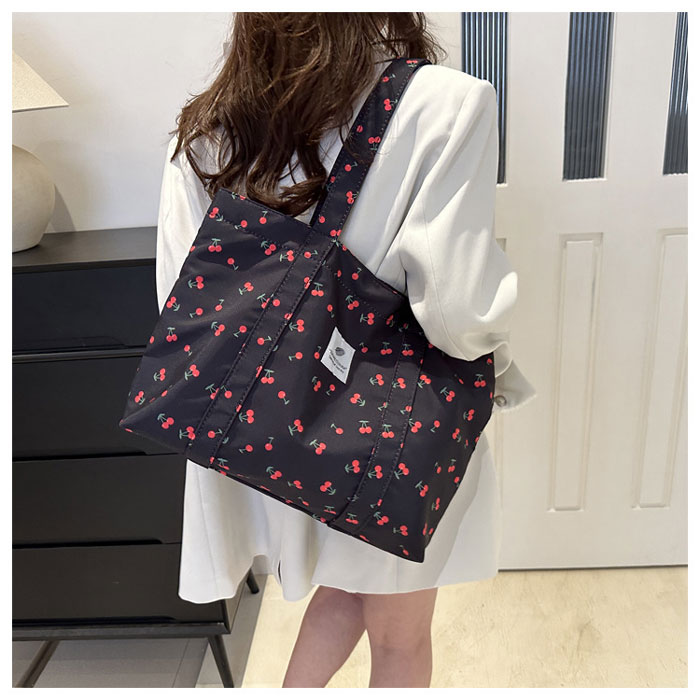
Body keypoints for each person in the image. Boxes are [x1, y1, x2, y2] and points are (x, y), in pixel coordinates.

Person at [155, 12, 537, 688]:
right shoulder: (445, 103)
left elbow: (182, 304)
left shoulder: (205, 129)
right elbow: (455, 313)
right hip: (391, 432)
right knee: (400, 639)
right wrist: (500, 374)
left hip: (269, 433)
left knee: (348, 590)